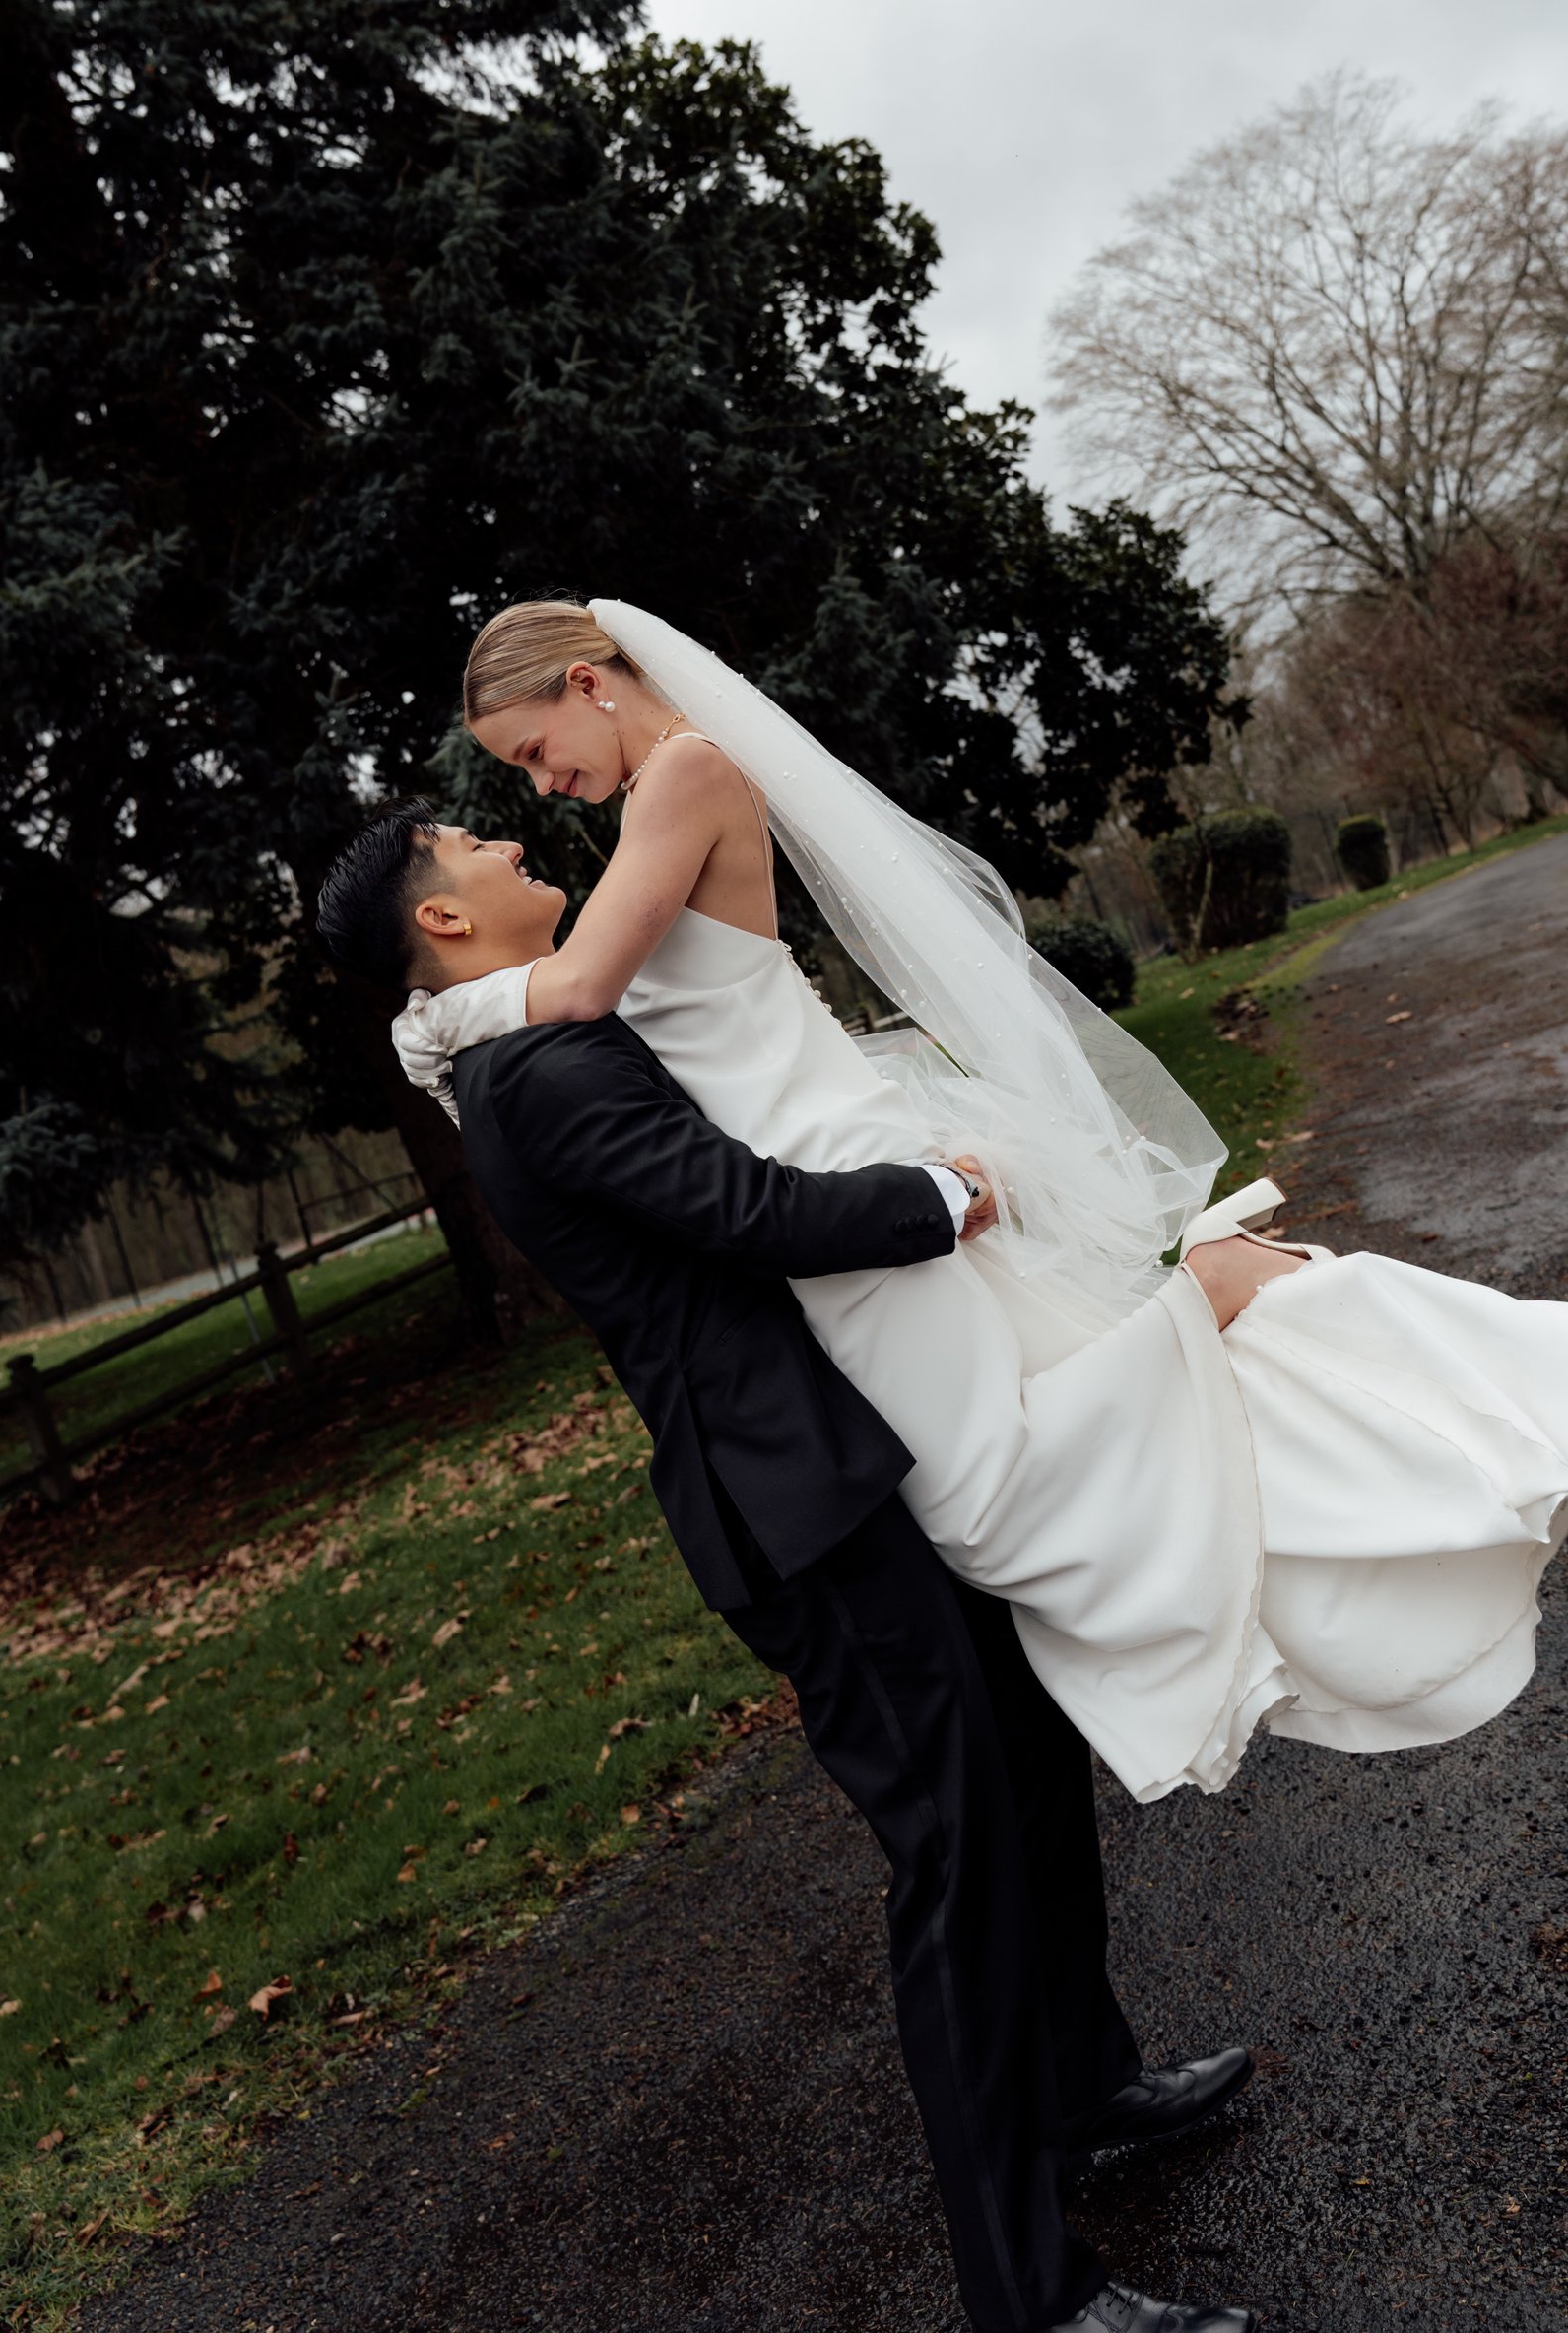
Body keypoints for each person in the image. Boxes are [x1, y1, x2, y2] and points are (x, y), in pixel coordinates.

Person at [393, 599, 1568, 1804]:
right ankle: (1215, 1312)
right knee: (989, 1469)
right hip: (814, 1170)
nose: (539, 781)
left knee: (988, 1493)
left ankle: (1210, 1298)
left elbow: (574, 995)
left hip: (832, 1172)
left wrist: (435, 1020)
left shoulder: (683, 773)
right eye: (519, 774)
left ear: (587, 681)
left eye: (531, 749)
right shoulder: (653, 799)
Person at [316, 807, 1258, 2333]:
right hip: (798, 1516)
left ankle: (1089, 2086)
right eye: (475, 839)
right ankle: (1029, 2294)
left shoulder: (527, 1035)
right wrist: (940, 1198)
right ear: (442, 920)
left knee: (1023, 1766)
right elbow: (742, 1213)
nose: (509, 840)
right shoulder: (535, 1075)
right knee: (953, 1869)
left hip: (859, 1471)